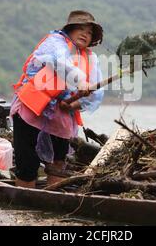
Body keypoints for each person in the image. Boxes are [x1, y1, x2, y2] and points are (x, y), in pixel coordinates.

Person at [10, 10, 104, 188]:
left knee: (59, 164)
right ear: (70, 30)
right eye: (81, 29)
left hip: (60, 118)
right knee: (27, 162)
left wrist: (76, 104)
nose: (85, 34)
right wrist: (81, 79)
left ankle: (52, 200)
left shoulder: (91, 58)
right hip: (32, 111)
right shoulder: (56, 42)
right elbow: (58, 61)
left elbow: (96, 93)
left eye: (90, 32)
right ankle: (24, 202)